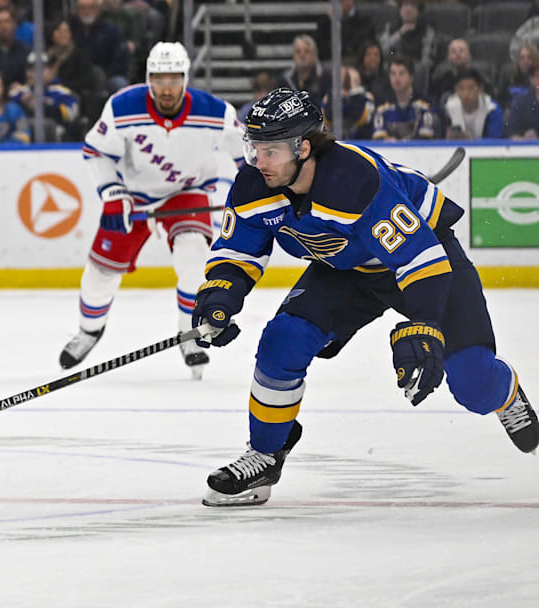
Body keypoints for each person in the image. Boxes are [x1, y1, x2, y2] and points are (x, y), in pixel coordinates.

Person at [193, 88, 538, 508]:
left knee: (472, 381)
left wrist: (424, 323)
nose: (258, 162)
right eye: (254, 149)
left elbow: (420, 259)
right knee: (282, 340)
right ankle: (266, 453)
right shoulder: (254, 185)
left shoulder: (353, 181)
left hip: (426, 260)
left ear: (303, 148)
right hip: (347, 270)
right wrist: (220, 293)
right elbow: (236, 251)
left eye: (270, 151)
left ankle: (506, 395)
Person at [60, 42, 244, 379]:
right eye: (159, 79)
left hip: (186, 192)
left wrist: (255, 188)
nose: (167, 88)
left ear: (185, 79)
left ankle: (189, 334)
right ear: (149, 79)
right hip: (133, 195)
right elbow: (95, 152)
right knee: (101, 270)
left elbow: (245, 155)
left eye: (174, 79)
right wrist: (114, 194)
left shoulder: (215, 112)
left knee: (194, 261)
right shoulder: (123, 107)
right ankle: (90, 330)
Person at [372, 56, 438, 141]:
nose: (397, 78)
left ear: (411, 77)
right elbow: (379, 142)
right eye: (393, 74)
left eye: (402, 73)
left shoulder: (425, 107)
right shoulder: (382, 108)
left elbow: (425, 142)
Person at [443, 69, 504, 140]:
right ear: (456, 89)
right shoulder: (448, 108)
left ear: (480, 88)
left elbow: (494, 142)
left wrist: (470, 142)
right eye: (461, 88)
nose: (466, 93)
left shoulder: (492, 110)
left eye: (471, 88)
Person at [509, 65, 539, 140]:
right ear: (531, 79)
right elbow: (512, 134)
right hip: (528, 149)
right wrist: (523, 138)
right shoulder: (520, 102)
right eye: (537, 76)